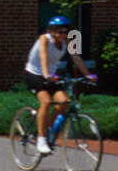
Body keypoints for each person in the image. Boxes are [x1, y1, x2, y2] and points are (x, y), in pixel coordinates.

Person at [24, 15, 96, 155]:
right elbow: (43, 57)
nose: (63, 35)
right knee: (45, 102)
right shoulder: (44, 39)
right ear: (51, 31)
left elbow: (75, 56)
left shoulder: (68, 39)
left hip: (52, 76)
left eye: (65, 32)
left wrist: (87, 74)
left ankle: (48, 129)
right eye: (60, 32)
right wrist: (46, 75)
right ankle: (41, 139)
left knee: (64, 102)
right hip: (34, 74)